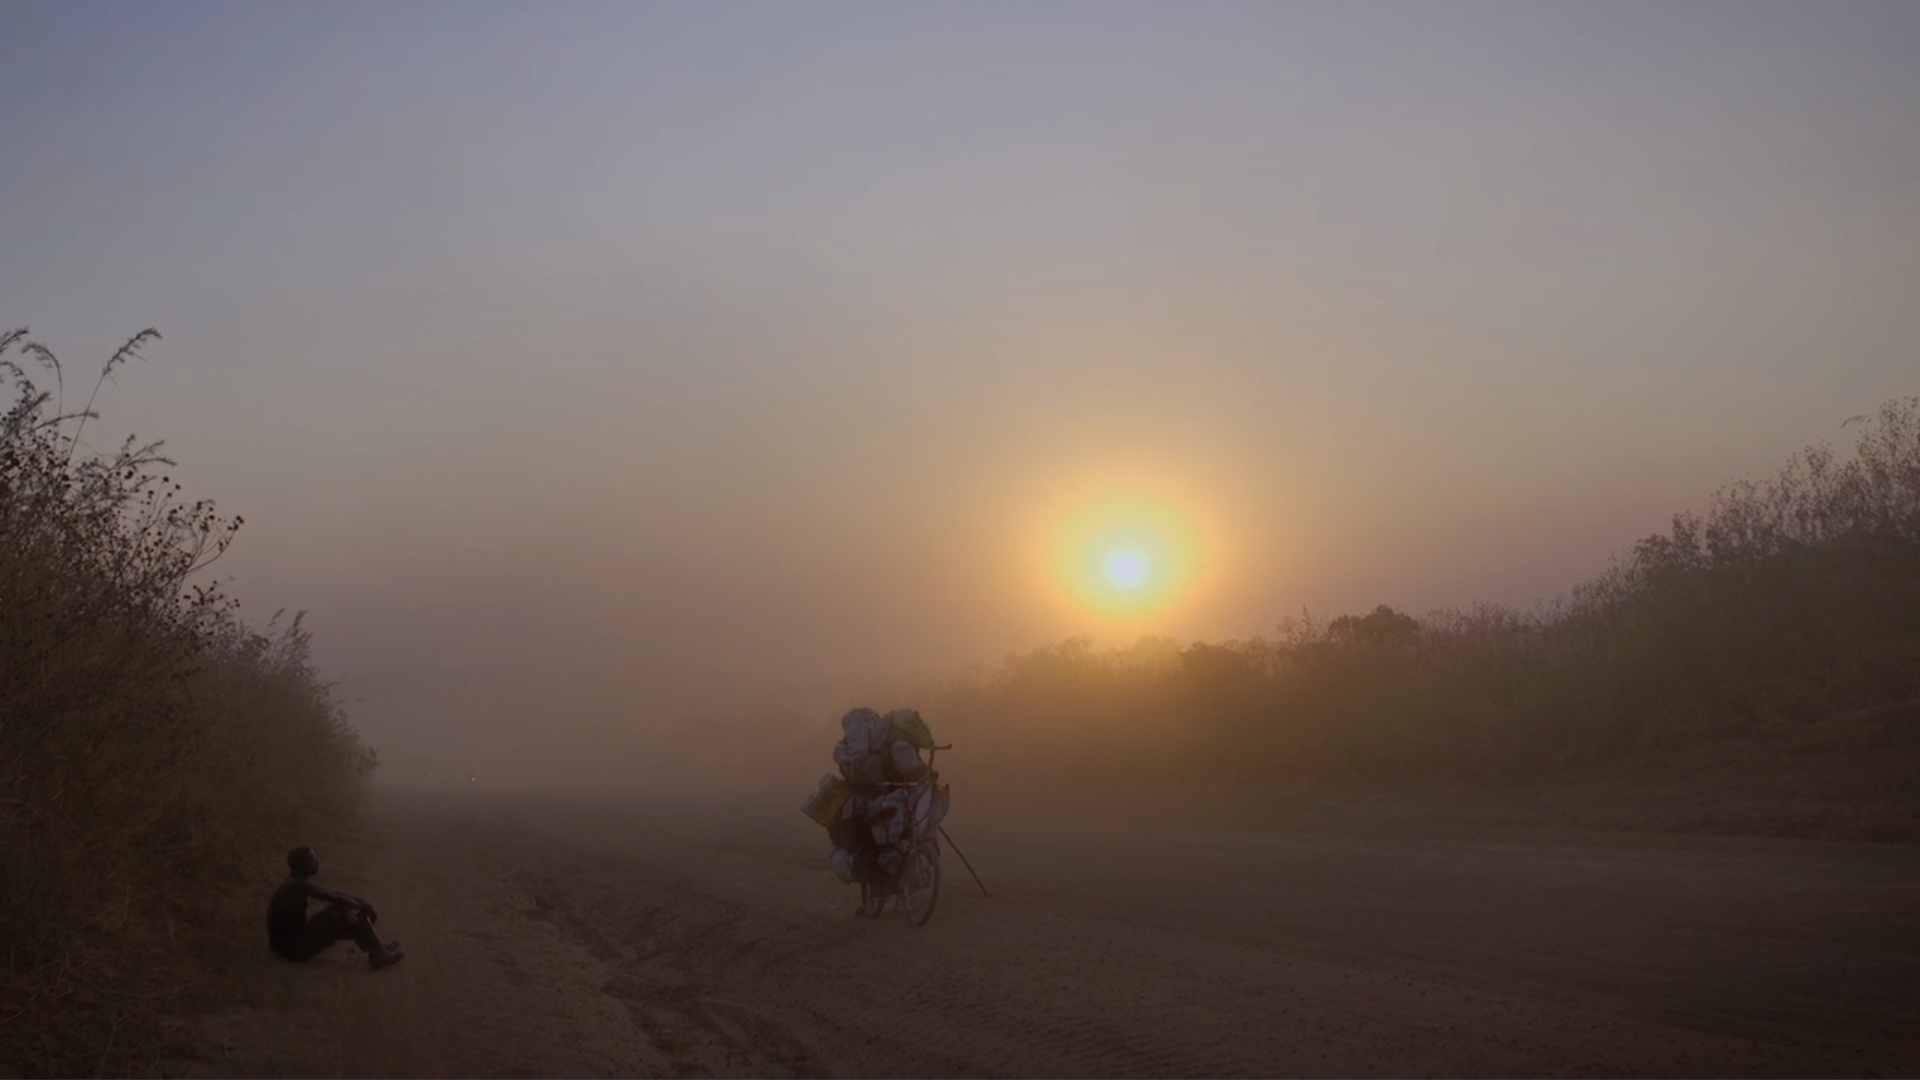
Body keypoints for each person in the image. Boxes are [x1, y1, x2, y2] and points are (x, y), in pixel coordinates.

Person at [267, 846, 406, 970]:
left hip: (286, 946)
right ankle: (377, 952)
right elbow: (333, 897)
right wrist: (362, 905)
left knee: (344, 909)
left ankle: (377, 948)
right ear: (301, 865)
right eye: (311, 860)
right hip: (292, 950)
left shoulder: (294, 882)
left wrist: (359, 903)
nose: (316, 863)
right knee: (346, 910)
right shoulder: (297, 885)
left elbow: (333, 894)